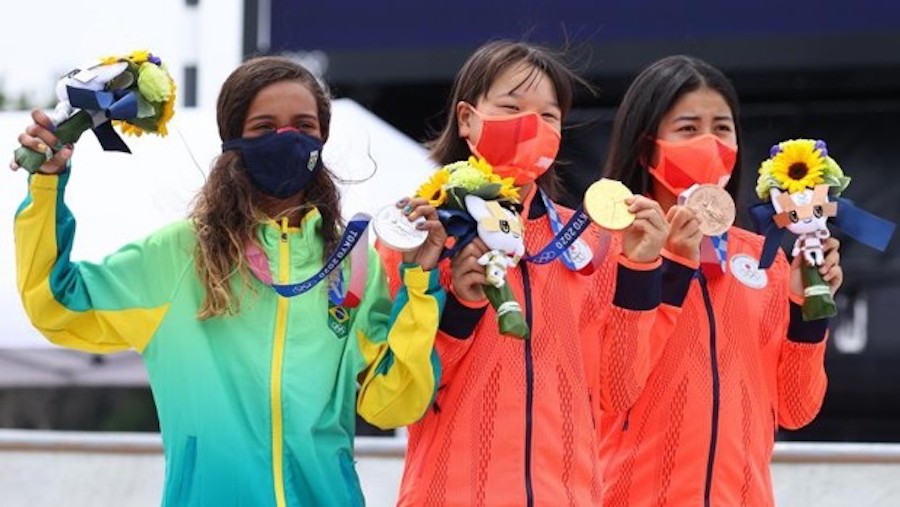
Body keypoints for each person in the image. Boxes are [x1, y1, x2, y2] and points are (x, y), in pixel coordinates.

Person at [11, 56, 447, 507]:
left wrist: (420, 283)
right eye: (264, 127)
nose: (287, 138)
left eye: (304, 126)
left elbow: (392, 404)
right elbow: (57, 304)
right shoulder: (179, 255)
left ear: (322, 139)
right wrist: (47, 185)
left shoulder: (351, 261)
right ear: (233, 140)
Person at [378, 41, 676, 506]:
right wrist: (458, 305)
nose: (531, 127)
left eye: (549, 117)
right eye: (511, 107)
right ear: (466, 118)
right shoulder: (421, 232)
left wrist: (640, 270)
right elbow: (401, 394)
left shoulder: (592, 241)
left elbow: (619, 391)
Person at [600, 55, 844, 506]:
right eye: (689, 128)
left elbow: (796, 408)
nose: (710, 143)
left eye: (722, 128)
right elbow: (613, 390)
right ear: (644, 147)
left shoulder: (765, 259)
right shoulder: (607, 251)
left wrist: (806, 307)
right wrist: (666, 264)